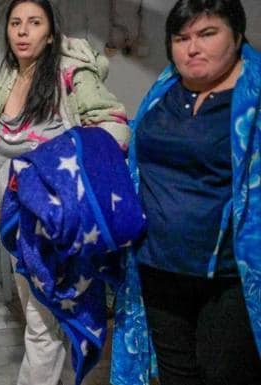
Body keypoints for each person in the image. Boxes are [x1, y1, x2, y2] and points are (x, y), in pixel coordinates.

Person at [0, 1, 129, 384]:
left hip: (59, 225)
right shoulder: (8, 79)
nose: (23, 31)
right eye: (15, 23)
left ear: (49, 32)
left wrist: (61, 171)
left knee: (43, 326)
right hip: (19, 225)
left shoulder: (71, 74)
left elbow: (113, 125)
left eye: (34, 22)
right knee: (41, 320)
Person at [116, 1, 261, 384]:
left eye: (207, 34)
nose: (192, 48)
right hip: (157, 265)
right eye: (181, 38)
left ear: (237, 35)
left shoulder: (253, 100)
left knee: (225, 374)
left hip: (227, 277)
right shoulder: (164, 91)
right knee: (176, 374)